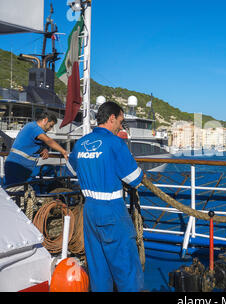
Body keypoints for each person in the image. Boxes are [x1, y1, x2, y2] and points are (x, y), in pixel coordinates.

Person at [68, 101, 144, 292]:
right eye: (120, 120)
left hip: (90, 211)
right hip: (111, 211)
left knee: (98, 269)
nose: (121, 125)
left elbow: (70, 169)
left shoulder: (81, 143)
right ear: (112, 118)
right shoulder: (115, 143)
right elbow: (134, 179)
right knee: (126, 268)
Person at [4, 112, 69, 186]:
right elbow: (48, 140)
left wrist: (43, 148)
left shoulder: (35, 129)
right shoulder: (33, 127)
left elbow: (33, 142)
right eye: (50, 126)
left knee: (21, 191)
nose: (50, 129)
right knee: (13, 191)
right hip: (16, 166)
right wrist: (63, 151)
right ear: (45, 120)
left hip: (24, 167)